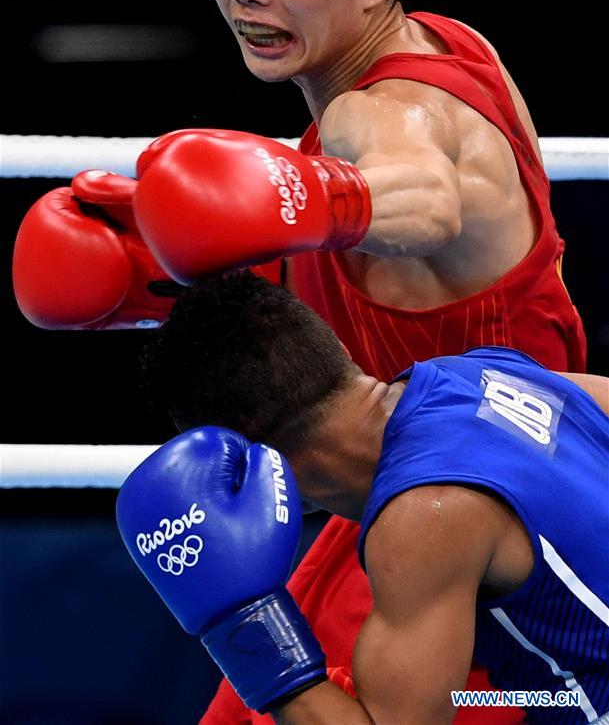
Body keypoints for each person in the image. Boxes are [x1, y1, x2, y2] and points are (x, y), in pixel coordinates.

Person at [12, 0, 587, 720]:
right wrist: (153, 275)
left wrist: (322, 200)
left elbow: (425, 200)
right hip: (502, 478)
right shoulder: (450, 44)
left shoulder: (380, 116)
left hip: (461, 525)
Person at [118, 271, 609, 724]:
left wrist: (241, 626)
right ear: (331, 344)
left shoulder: (422, 514)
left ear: (248, 448)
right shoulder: (478, 372)